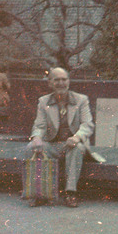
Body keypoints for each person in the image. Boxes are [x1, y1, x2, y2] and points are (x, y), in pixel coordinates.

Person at [26, 67, 94, 208]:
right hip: (54, 145)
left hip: (74, 144)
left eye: (64, 79)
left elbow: (87, 125)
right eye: (57, 80)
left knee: (77, 148)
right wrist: (36, 137)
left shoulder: (81, 100)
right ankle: (41, 194)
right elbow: (39, 126)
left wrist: (76, 137)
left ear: (69, 81)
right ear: (50, 83)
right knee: (33, 147)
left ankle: (71, 193)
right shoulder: (43, 101)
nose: (61, 83)